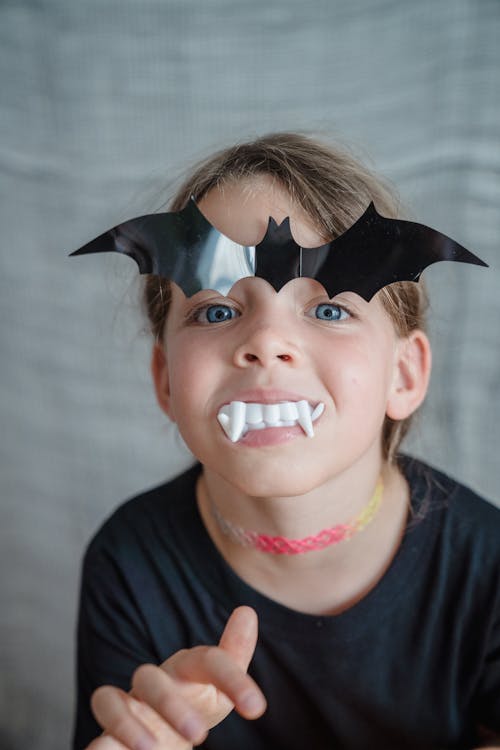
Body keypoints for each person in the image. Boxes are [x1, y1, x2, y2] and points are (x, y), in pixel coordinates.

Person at [73, 133, 500, 750]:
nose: (267, 342)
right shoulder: (130, 563)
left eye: (328, 310)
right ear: (166, 380)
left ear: (402, 376)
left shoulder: (485, 569)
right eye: (217, 312)